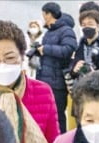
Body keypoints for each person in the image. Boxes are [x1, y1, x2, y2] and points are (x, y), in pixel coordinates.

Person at [36, 2, 78, 134]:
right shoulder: (49, 32)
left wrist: (46, 49)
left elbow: (68, 49)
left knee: (58, 115)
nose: (43, 17)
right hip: (45, 78)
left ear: (49, 14)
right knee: (47, 116)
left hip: (57, 81)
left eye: (44, 14)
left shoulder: (66, 30)